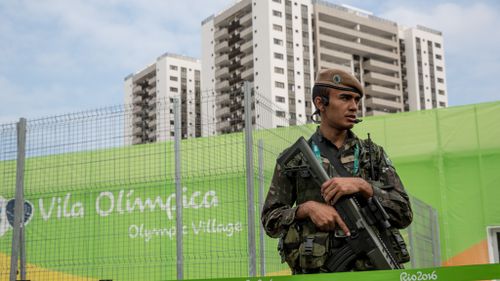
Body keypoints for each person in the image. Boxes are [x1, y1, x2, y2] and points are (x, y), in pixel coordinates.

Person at [261, 68, 413, 274]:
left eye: (356, 100)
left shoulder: (372, 154)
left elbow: (404, 213)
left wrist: (364, 186)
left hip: (371, 274)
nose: (354, 107)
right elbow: (271, 220)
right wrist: (306, 209)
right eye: (345, 98)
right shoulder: (295, 158)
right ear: (320, 103)